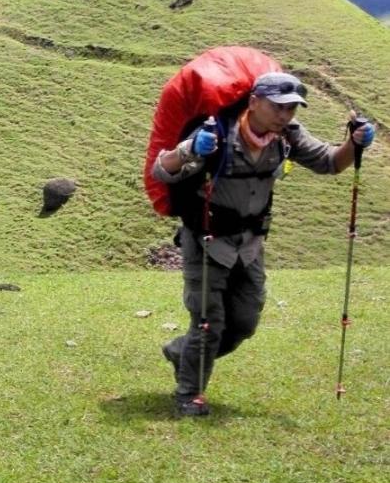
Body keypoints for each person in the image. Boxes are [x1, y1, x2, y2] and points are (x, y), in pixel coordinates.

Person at [152, 72, 374, 417]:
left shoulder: (287, 137)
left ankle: (182, 353)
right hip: (208, 241)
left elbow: (331, 163)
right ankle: (189, 394)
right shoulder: (217, 132)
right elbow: (161, 170)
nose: (285, 115)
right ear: (254, 102)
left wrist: (355, 144)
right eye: (278, 106)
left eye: (292, 109)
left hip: (250, 245)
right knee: (209, 322)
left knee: (244, 323)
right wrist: (189, 150)